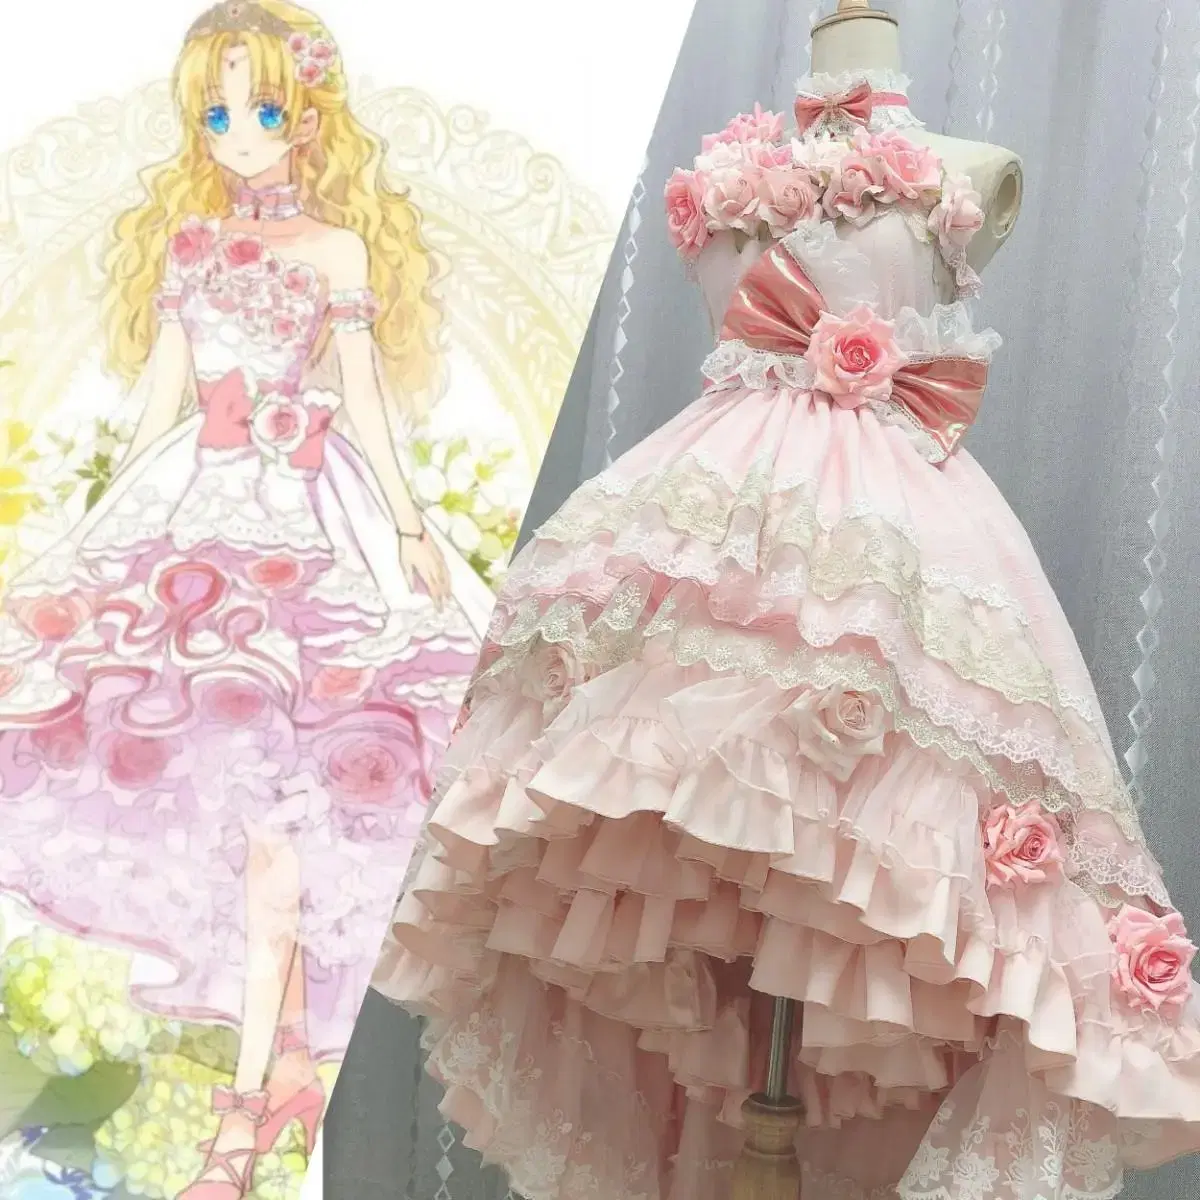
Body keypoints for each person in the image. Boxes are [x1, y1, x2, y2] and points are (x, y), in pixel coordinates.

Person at [0, 2, 493, 1195]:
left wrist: (410, 523)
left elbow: (362, 397)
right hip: (194, 518)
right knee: (249, 823)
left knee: (289, 825)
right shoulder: (190, 244)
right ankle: (277, 1081)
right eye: (216, 114)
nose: (238, 134)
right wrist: (98, 535)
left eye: (261, 108)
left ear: (307, 116)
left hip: (311, 520)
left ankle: (255, 1109)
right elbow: (162, 401)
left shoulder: (338, 252)